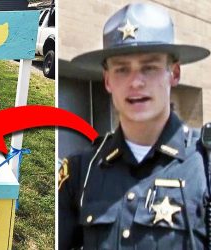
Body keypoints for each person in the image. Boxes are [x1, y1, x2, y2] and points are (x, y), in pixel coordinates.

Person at [58, 3, 210, 249]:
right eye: (122, 69)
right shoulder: (81, 171)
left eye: (149, 67)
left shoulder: (205, 164)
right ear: (107, 80)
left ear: (174, 73)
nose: (136, 82)